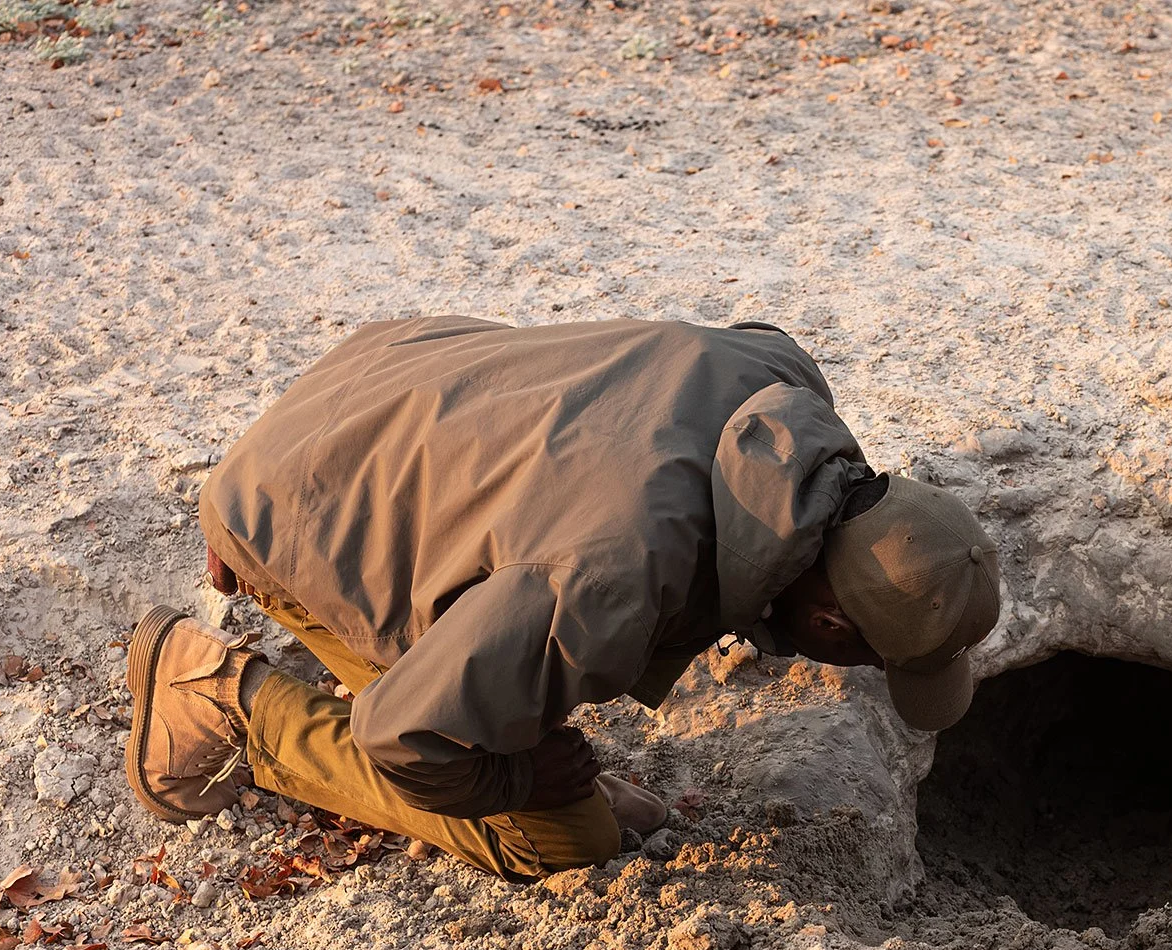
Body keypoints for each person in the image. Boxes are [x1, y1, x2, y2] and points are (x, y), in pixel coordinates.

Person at [122, 316, 1001, 880]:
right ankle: (221, 699)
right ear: (830, 623)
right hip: (295, 499)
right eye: (873, 660)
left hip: (376, 384)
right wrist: (514, 772)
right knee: (561, 839)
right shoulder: (611, 584)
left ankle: (490, 700)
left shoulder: (783, 383)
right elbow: (403, 736)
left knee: (519, 682)